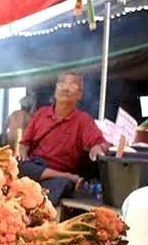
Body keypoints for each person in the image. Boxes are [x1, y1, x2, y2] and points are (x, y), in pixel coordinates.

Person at [18, 71, 110, 205]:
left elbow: (102, 143)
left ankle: (41, 211)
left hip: (59, 174)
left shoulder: (83, 120)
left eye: (72, 85)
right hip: (35, 166)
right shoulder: (40, 114)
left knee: (63, 185)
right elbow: (24, 143)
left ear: (79, 95)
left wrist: (97, 147)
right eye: (62, 83)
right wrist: (23, 152)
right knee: (17, 166)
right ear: (55, 90)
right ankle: (65, 178)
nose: (66, 88)